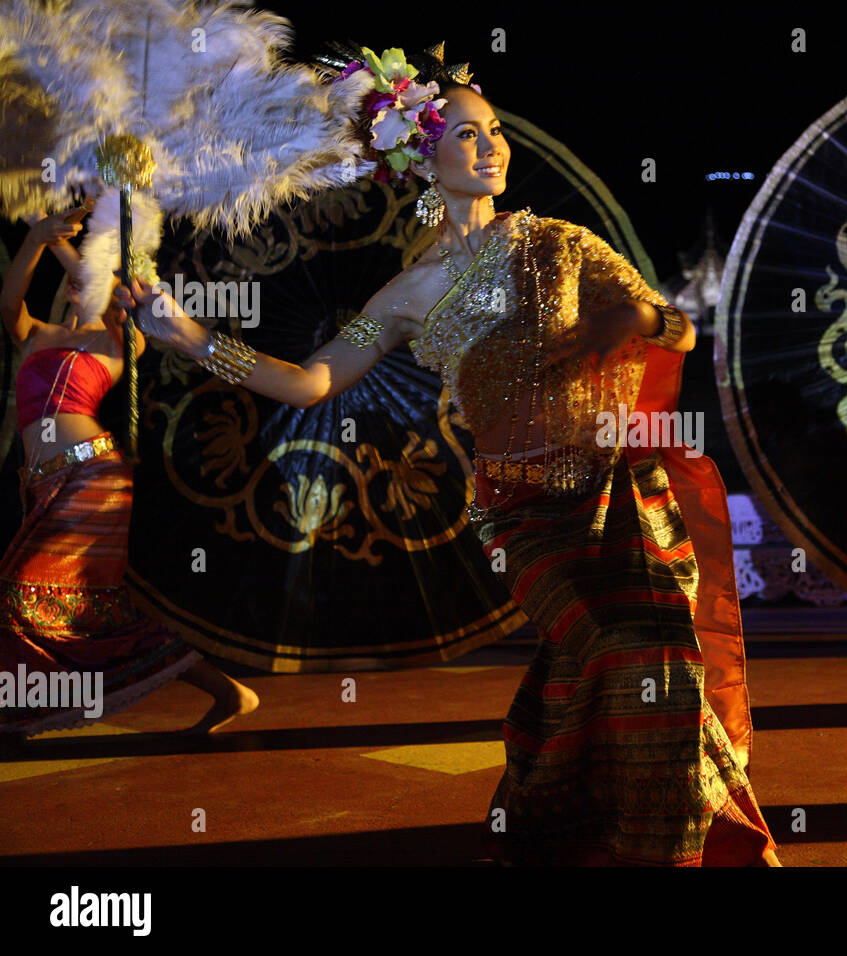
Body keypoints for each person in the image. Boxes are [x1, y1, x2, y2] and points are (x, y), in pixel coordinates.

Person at [120, 73, 780, 865]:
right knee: (625, 652)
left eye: (495, 128)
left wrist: (635, 315)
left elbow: (676, 330)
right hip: (526, 515)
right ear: (423, 162)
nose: (491, 145)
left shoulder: (563, 244)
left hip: (622, 493)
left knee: (652, 663)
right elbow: (310, 382)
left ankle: (618, 840)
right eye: (466, 133)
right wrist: (192, 339)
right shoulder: (410, 290)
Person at [0, 208, 260, 746]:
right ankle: (227, 690)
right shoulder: (36, 336)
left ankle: (20, 715)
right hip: (45, 483)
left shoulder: (120, 346)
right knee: (85, 606)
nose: (78, 287)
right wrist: (34, 239)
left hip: (91, 477)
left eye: (87, 280)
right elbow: (8, 303)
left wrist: (66, 247)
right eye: (73, 284)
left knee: (18, 592)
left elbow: (102, 282)